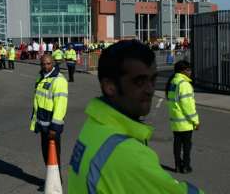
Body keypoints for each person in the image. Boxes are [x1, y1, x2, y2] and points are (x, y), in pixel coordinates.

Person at [68, 40, 203, 193]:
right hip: (183, 123)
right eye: (139, 81)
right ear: (109, 86)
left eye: (153, 79)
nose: (150, 90)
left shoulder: (94, 127)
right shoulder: (127, 154)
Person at [30, 54, 68, 183]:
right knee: (46, 154)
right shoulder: (41, 77)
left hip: (51, 126)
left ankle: (57, 182)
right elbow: (38, 100)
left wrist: (55, 127)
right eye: (43, 64)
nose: (46, 66)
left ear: (53, 63)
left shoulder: (59, 80)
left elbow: (61, 105)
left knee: (54, 155)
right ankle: (52, 179)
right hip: (42, 123)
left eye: (48, 63)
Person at [166, 60, 200, 174]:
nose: (190, 72)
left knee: (177, 143)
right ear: (182, 71)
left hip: (175, 120)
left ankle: (177, 165)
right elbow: (188, 105)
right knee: (186, 145)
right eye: (188, 70)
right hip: (185, 121)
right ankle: (186, 166)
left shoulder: (173, 82)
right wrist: (195, 121)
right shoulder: (184, 84)